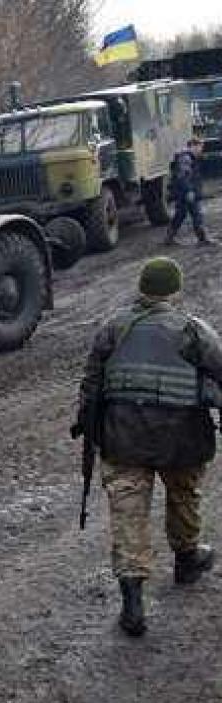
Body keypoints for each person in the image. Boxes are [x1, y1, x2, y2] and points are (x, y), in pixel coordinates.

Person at [78, 257, 222, 636]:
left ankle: (133, 603)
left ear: (141, 289)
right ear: (175, 291)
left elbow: (91, 385)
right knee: (183, 495)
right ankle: (187, 559)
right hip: (181, 438)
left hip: (124, 439)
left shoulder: (113, 328)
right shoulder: (194, 331)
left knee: (128, 513)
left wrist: (91, 431)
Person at [165, 137, 213, 246]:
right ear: (193, 146)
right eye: (199, 147)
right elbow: (183, 176)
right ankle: (203, 239)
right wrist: (189, 191)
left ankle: (169, 237)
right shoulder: (186, 158)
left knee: (180, 214)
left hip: (183, 191)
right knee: (196, 214)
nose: (201, 149)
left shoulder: (188, 157)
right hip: (187, 192)